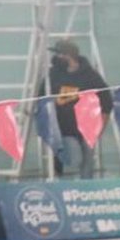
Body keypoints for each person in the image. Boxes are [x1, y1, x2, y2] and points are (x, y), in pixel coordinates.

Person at [48, 39, 113, 179]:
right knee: (73, 157)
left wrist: (100, 128)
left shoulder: (90, 75)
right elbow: (41, 99)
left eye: (59, 55)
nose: (56, 58)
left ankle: (86, 193)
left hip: (87, 130)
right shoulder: (53, 74)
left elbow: (106, 102)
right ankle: (63, 189)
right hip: (63, 130)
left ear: (68, 56)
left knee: (87, 165)